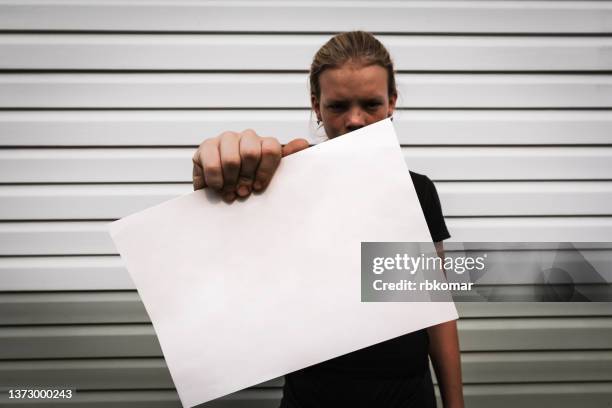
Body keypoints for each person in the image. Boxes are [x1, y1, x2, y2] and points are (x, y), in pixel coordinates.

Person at [192, 31, 464, 408]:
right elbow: (225, 275)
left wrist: (455, 404)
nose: (355, 120)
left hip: (407, 395)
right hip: (315, 396)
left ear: (392, 104)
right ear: (316, 106)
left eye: (370, 103)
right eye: (338, 106)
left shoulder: (417, 191)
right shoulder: (281, 185)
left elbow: (436, 306)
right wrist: (219, 185)